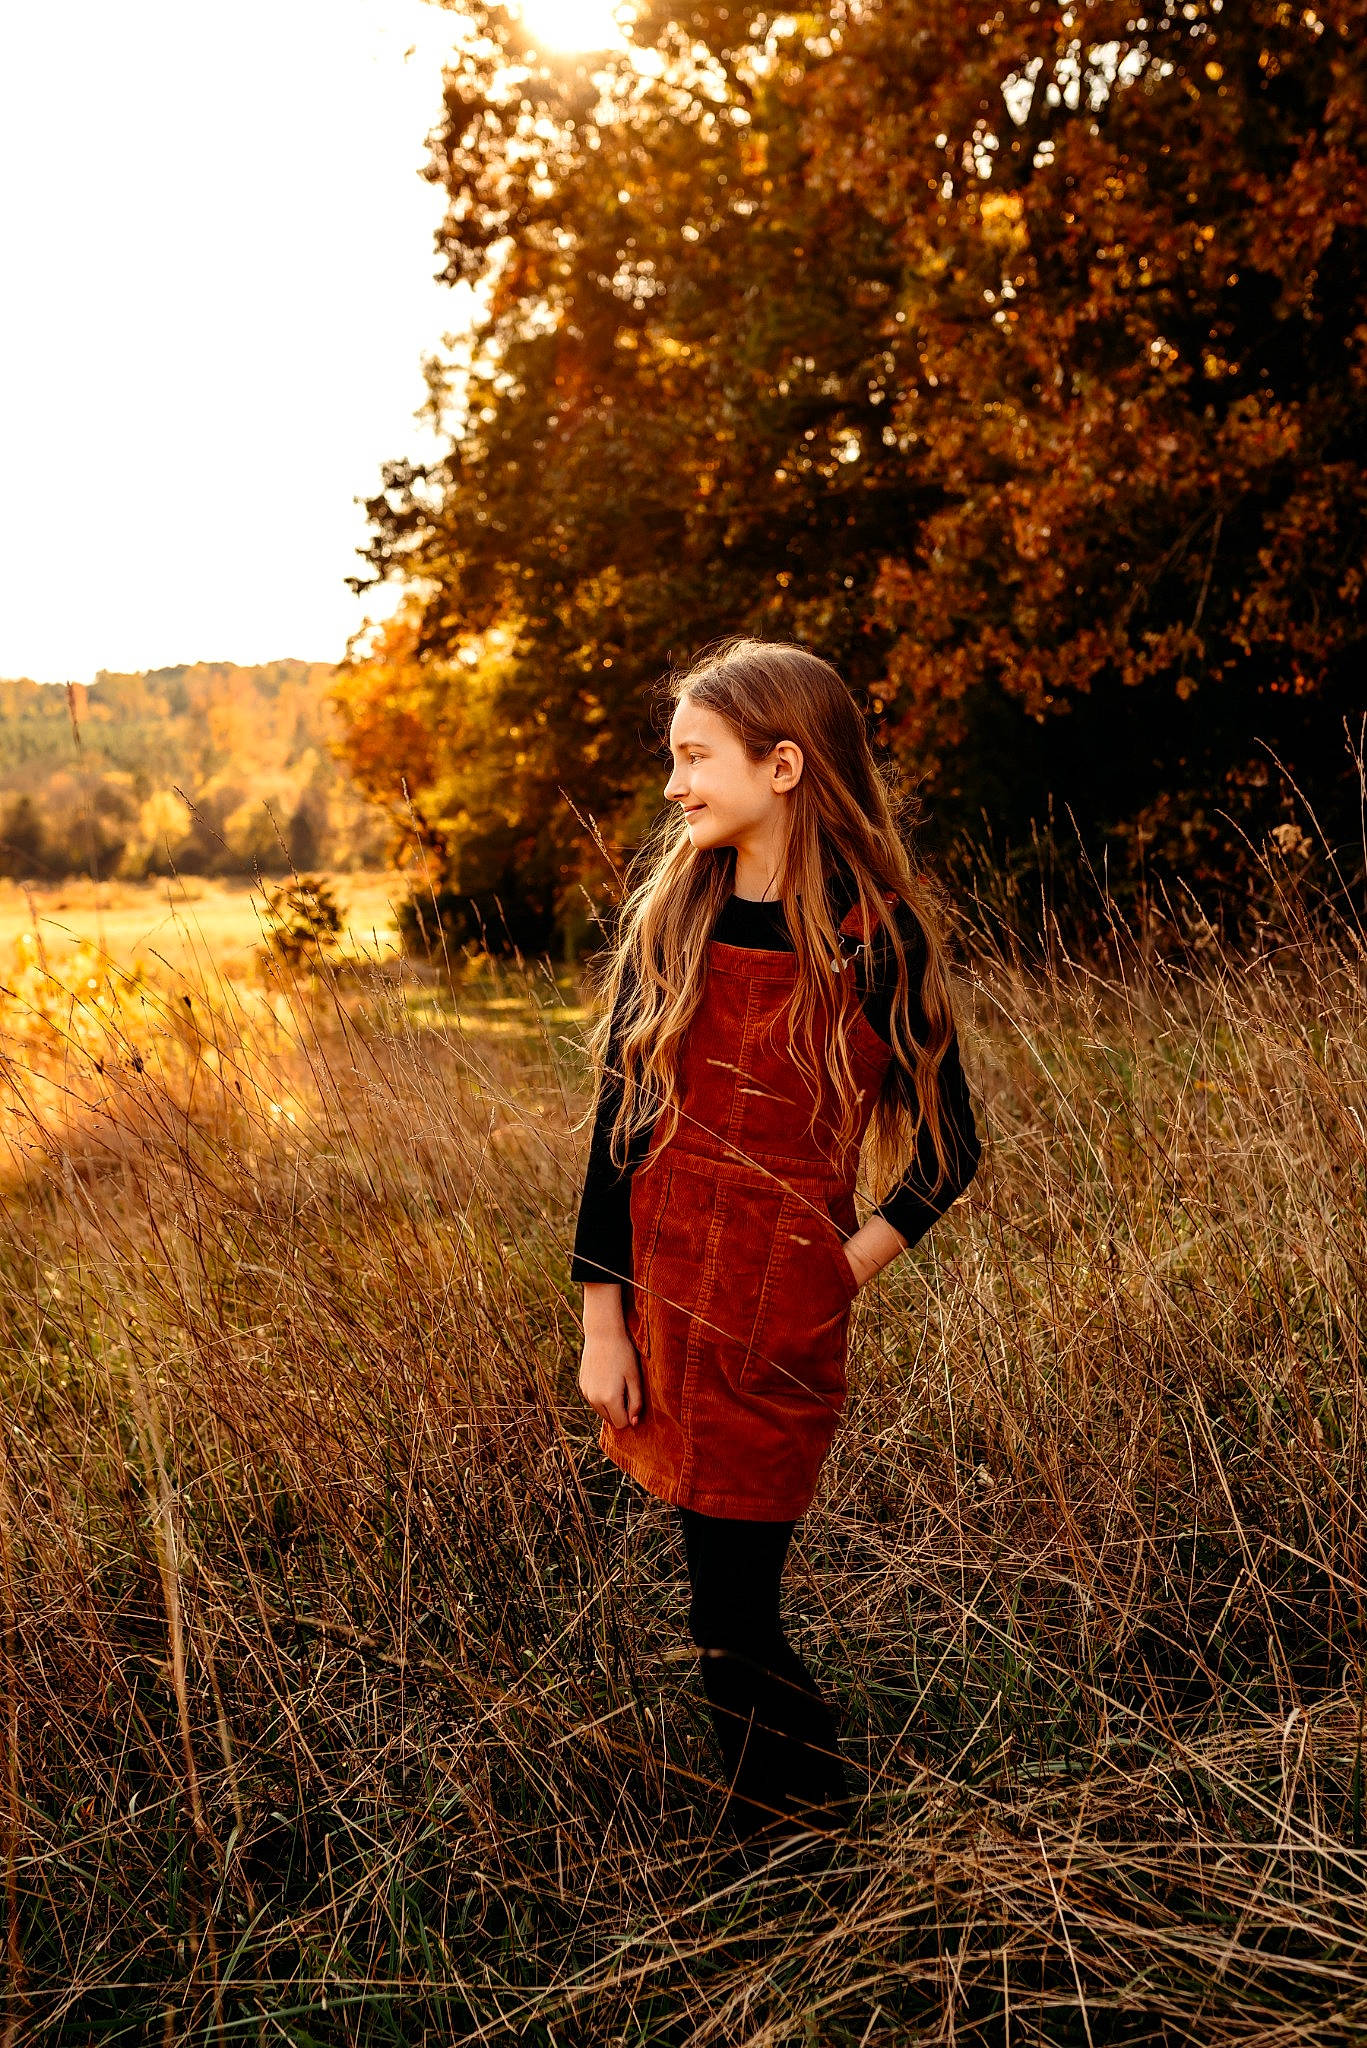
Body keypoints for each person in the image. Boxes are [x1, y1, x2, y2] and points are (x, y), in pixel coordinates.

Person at [570, 636, 983, 1855]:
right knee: (717, 1612)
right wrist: (601, 1321)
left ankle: (799, 1845)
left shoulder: (874, 938)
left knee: (730, 1615)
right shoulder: (675, 922)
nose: (673, 785)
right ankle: (789, 1839)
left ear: (785, 763)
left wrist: (836, 1267)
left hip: (777, 1331)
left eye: (694, 757)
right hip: (663, 1311)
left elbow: (949, 1148)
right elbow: (616, 1129)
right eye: (672, 759)